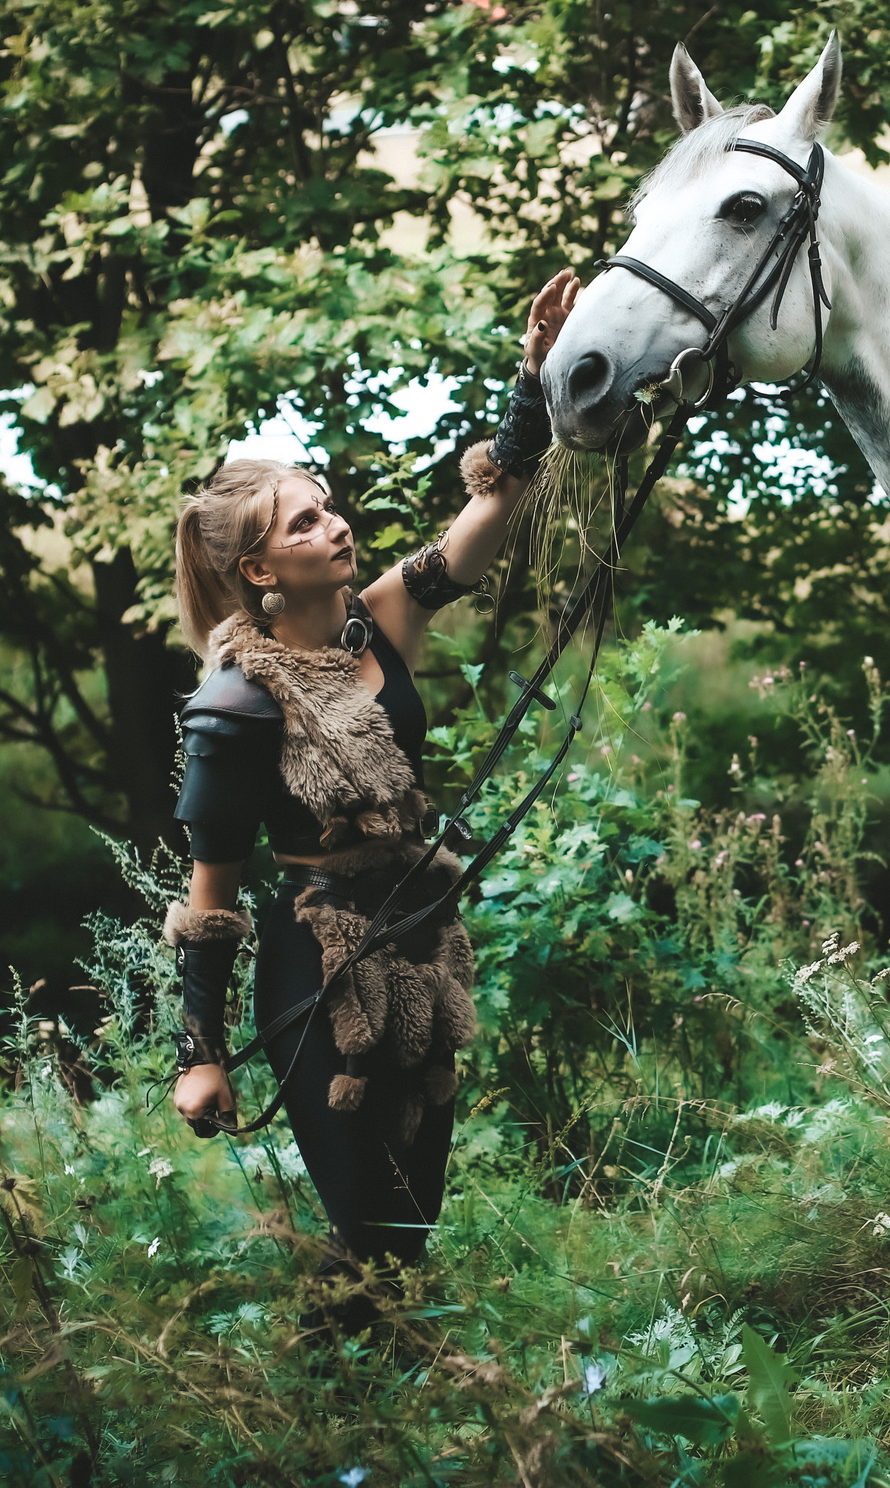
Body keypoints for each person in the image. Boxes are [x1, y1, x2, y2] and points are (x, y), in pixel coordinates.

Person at [162, 270, 580, 1336]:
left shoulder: (380, 621)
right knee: (365, 1230)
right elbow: (208, 893)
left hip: (419, 947)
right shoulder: (235, 703)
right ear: (261, 567)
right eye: (307, 524)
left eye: (329, 507)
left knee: (411, 1233)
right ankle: (340, 1407)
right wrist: (197, 1055)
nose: (336, 526)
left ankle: (362, 1415)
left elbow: (491, 508)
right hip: (315, 966)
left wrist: (531, 381)